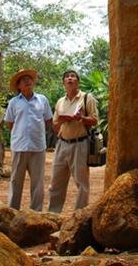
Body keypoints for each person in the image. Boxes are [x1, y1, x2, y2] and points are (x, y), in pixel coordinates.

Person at [48, 69, 98, 213]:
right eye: (67, 77)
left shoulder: (87, 98)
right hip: (62, 144)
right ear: (63, 83)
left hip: (80, 143)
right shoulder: (60, 102)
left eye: (73, 76)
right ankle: (53, 215)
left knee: (81, 183)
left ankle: (79, 215)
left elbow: (95, 120)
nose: (70, 78)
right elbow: (55, 124)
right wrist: (62, 121)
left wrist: (82, 118)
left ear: (78, 81)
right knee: (56, 183)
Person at [4, 68, 53, 211]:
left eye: (29, 79)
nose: (27, 81)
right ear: (18, 86)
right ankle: (12, 212)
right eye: (23, 80)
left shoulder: (42, 100)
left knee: (38, 182)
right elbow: (10, 123)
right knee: (15, 181)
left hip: (38, 147)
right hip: (19, 147)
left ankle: (36, 214)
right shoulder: (13, 102)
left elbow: (48, 120)